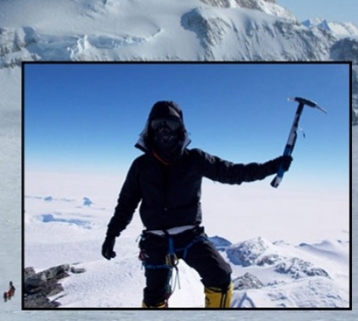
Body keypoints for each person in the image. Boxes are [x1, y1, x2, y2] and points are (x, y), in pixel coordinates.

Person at [101, 100, 292, 308]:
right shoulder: (140, 166)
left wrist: (272, 167)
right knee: (154, 296)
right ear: (150, 128)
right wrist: (112, 234)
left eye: (171, 124)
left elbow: (232, 172)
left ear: (180, 128)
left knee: (220, 277)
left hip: (190, 236)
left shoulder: (195, 159)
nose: (164, 130)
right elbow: (126, 203)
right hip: (156, 240)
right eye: (158, 124)